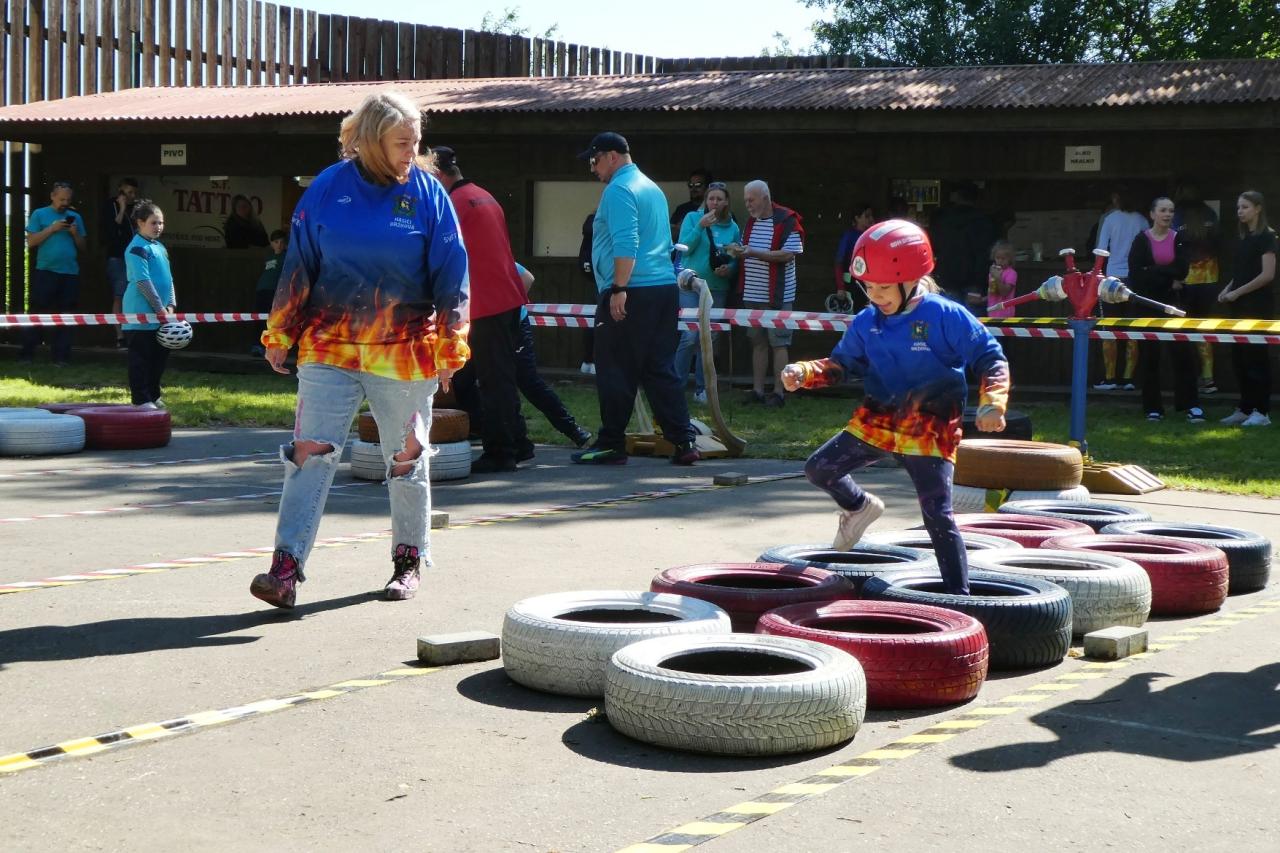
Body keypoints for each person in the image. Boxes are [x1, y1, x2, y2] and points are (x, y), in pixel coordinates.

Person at [252, 90, 470, 609]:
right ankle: (285, 569)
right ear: (372, 140)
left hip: (403, 351)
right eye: (402, 142)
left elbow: (452, 273)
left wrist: (451, 344)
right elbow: (299, 265)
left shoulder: (429, 195)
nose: (413, 152)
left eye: (416, 141)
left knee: (406, 458)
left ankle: (408, 561)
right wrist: (280, 332)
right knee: (309, 455)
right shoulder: (327, 189)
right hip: (329, 347)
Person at [781, 219, 1010, 595]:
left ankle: (960, 597)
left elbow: (990, 357)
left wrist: (993, 403)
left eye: (884, 287)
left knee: (937, 514)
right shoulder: (866, 321)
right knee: (819, 468)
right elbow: (842, 365)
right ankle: (859, 507)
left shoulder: (944, 315)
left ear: (911, 279)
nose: (875, 296)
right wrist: (805, 372)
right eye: (868, 287)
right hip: (879, 422)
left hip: (928, 429)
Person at [572, 131, 699, 466]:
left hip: (631, 290)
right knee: (659, 368)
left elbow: (626, 242)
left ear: (612, 156)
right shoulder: (651, 187)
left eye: (594, 160)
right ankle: (684, 441)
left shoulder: (619, 189)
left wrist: (619, 288)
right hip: (663, 289)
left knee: (615, 368)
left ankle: (611, 444)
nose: (592, 168)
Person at [433, 145, 531, 473]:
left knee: (491, 381)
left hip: (484, 303)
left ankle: (501, 451)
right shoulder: (484, 196)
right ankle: (517, 441)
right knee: (488, 378)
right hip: (505, 298)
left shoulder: (452, 204)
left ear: (437, 175)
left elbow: (442, 255)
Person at [726, 180, 804, 407]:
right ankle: (758, 390)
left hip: (777, 296)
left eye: (751, 200)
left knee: (779, 343)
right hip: (753, 293)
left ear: (765, 198)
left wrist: (752, 252)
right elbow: (747, 249)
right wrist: (737, 252)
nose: (747, 205)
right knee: (757, 342)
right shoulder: (751, 222)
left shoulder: (788, 220)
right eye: (746, 201)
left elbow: (787, 255)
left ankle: (779, 393)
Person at [1128, 197, 1201, 422]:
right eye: (1163, 210)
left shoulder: (1179, 238)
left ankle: (1190, 405)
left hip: (1174, 303)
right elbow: (1137, 276)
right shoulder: (1141, 240)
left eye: (1170, 211)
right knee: (1150, 356)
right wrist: (1168, 279)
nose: (1167, 214)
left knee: (1183, 354)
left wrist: (1154, 271)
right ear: (1152, 214)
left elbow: (1182, 270)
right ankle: (1153, 408)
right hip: (1147, 304)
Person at [513, 261, 592, 457]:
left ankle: (572, 429)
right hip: (479, 327)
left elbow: (527, 278)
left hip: (513, 324)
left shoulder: (490, 256)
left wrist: (512, 305)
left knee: (528, 382)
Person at [674, 181, 741, 404]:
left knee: (710, 338)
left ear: (726, 202)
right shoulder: (692, 218)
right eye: (711, 198)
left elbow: (734, 257)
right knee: (690, 336)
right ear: (706, 200)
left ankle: (703, 389)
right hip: (690, 285)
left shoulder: (733, 227)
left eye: (719, 199)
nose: (715, 202)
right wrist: (700, 226)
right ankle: (676, 385)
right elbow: (684, 249)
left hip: (717, 287)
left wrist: (730, 268)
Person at [1218, 190, 1276, 427]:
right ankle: (1245, 407)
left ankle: (1262, 412)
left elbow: (1267, 275)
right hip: (1238, 306)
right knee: (1239, 358)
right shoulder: (1243, 238)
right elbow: (1241, 272)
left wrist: (1238, 292)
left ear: (1258, 208)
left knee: (1256, 359)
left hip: (1258, 307)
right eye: (1238, 208)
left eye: (1245, 207)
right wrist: (1228, 289)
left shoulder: (1268, 237)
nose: (1240, 212)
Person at [21, 181, 87, 365]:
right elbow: (31, 242)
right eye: (61, 199)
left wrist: (75, 234)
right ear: (52, 196)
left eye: (68, 200)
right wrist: (52, 229)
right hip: (46, 271)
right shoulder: (39, 214)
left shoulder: (75, 217)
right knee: (38, 312)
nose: (64, 203)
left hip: (70, 273)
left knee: (66, 314)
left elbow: (83, 247)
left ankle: (61, 357)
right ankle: (27, 354)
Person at [121, 200, 177, 409]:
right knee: (140, 359)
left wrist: (171, 305)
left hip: (161, 316)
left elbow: (169, 279)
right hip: (140, 314)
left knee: (158, 358)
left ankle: (153, 395)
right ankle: (141, 399)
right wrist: (159, 309)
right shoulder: (136, 248)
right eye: (154, 223)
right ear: (140, 223)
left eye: (161, 223)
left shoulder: (160, 247)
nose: (158, 227)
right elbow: (143, 282)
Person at [1093, 189, 1148, 391]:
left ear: (1116, 199)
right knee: (1132, 327)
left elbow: (1100, 250)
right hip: (1134, 278)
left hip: (1112, 277)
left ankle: (1110, 378)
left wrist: (1096, 277)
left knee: (1109, 326)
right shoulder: (1142, 220)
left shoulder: (1110, 219)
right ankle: (1128, 378)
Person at [1178, 201, 1222, 395]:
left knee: (1186, 331)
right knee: (1204, 328)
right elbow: (1219, 245)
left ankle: (1191, 379)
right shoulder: (1210, 216)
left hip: (1187, 282)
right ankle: (1208, 378)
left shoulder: (1179, 221)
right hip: (1210, 280)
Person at [927, 183, 995, 303]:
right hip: (973, 278)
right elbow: (985, 253)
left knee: (948, 313)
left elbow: (933, 246)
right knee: (972, 314)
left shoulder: (942, 219)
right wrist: (980, 282)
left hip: (946, 276)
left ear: (956, 196)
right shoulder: (983, 220)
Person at [102, 177, 139, 348]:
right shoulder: (110, 205)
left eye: (134, 193)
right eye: (129, 192)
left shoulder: (135, 208)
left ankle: (133, 333)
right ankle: (120, 336)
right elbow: (112, 229)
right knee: (120, 295)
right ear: (121, 191)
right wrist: (122, 208)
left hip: (133, 257)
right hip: (117, 257)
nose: (132, 196)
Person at [249, 229, 288, 357]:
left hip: (276, 291)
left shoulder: (287, 257)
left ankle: (272, 347)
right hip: (262, 290)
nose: (279, 245)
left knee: (274, 320)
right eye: (276, 242)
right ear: (272, 243)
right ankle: (257, 345)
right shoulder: (269, 256)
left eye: (282, 242)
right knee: (258, 317)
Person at [833, 203, 874, 310]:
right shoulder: (849, 236)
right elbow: (839, 262)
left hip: (871, 283)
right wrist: (840, 287)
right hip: (853, 283)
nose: (871, 219)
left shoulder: (872, 235)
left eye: (871, 216)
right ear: (857, 218)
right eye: (867, 216)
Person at [975, 240, 1017, 318]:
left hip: (1005, 314)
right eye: (997, 258)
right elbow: (994, 291)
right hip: (992, 312)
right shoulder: (993, 271)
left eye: (1003, 259)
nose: (1000, 261)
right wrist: (982, 299)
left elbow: (1004, 293)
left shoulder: (1011, 273)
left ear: (1010, 259)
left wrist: (997, 278)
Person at [577, 211, 597, 375]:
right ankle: (596, 360)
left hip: (589, 279)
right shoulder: (604, 225)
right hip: (604, 280)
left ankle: (588, 360)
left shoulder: (589, 226)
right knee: (603, 321)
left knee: (590, 319)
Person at [669, 168, 711, 241]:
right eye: (690, 185)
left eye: (698, 185)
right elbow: (669, 234)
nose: (693, 188)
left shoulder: (714, 208)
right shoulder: (681, 209)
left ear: (708, 187)